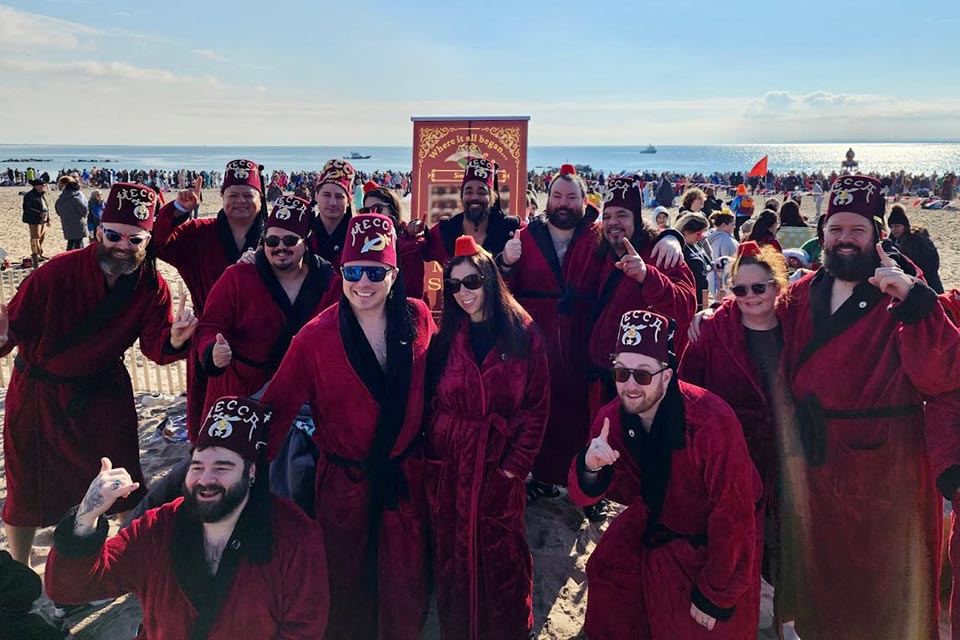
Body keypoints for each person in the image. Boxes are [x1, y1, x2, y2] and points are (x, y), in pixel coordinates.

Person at [776, 174, 960, 638]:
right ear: (822, 234)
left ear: (877, 233)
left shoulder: (900, 285)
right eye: (836, 229)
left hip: (884, 466)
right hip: (819, 460)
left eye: (856, 230)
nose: (844, 240)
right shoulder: (805, 290)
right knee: (826, 572)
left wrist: (917, 301)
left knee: (885, 584)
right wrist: (712, 315)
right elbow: (766, 326)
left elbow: (940, 372)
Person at [1, 182, 196, 565]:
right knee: (27, 488)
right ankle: (20, 569)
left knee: (123, 475)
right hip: (40, 393)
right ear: (99, 230)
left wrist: (175, 339)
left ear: (147, 239)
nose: (123, 246)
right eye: (114, 235)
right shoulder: (54, 274)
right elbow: (13, 330)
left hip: (105, 392)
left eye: (135, 240)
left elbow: (156, 349)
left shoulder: (151, 285)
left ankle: (122, 557)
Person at [262, 213, 435, 639]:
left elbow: (439, 387)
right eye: (353, 271)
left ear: (394, 274)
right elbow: (275, 409)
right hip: (343, 482)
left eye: (376, 272)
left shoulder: (419, 318)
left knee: (405, 575)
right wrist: (240, 468)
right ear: (340, 272)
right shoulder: (313, 337)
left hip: (404, 477)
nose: (363, 284)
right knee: (344, 577)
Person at [45, 397, 330, 639]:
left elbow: (303, 627)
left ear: (252, 472)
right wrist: (87, 515)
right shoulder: (158, 527)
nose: (206, 479)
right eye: (197, 466)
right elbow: (72, 587)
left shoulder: (295, 535)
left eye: (222, 467)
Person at [568, 310, 763, 639]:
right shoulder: (611, 419)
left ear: (668, 376)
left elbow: (734, 513)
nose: (630, 385)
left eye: (642, 376)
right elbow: (586, 493)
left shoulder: (710, 422)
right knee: (606, 571)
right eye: (621, 373)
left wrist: (715, 593)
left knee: (705, 625)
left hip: (720, 531)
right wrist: (589, 468)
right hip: (660, 514)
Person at [499, 165, 685, 498]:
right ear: (547, 198)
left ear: (586, 203)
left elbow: (684, 299)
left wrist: (672, 238)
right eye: (557, 195)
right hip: (543, 344)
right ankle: (547, 478)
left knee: (594, 425)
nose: (564, 203)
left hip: (603, 356)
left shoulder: (610, 240)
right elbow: (502, 289)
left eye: (572, 197)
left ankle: (600, 492)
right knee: (547, 413)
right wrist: (506, 264)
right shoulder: (532, 237)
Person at [424, 235, 549, 639]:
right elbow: (430, 398)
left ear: (491, 279)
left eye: (472, 282)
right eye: (455, 284)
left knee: (501, 549)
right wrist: (436, 452)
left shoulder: (524, 332)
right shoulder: (447, 334)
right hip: (451, 460)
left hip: (498, 462)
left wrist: (514, 467)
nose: (463, 293)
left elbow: (536, 406)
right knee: (452, 551)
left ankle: (509, 628)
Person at [678, 241, 790, 616]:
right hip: (731, 458)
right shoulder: (713, 331)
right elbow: (686, 390)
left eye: (759, 287)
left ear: (777, 285)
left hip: (788, 459)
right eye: (739, 289)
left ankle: (778, 615)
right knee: (732, 542)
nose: (750, 297)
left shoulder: (798, 325)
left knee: (780, 548)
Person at [197, 194, 340, 416]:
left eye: (290, 241)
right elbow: (210, 325)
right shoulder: (237, 276)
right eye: (272, 241)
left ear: (306, 240)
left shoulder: (330, 282)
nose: (280, 247)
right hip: (240, 387)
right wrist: (211, 350)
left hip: (302, 392)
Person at [153, 160, 266, 437]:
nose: (240, 201)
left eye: (248, 195)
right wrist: (179, 209)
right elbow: (157, 244)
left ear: (261, 200)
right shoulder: (198, 234)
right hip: (209, 338)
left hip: (262, 343)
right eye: (233, 195)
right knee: (207, 424)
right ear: (222, 197)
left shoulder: (277, 238)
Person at [419, 157, 522, 267]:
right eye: (468, 191)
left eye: (482, 192)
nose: (475, 197)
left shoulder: (511, 229)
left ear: (492, 197)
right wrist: (412, 234)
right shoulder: (445, 230)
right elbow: (418, 250)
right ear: (462, 196)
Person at [363, 182, 425, 299]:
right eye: (366, 211)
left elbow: (413, 293)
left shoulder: (408, 246)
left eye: (377, 208)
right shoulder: (362, 244)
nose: (371, 214)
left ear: (392, 210)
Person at [308, 159, 356, 269]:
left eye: (339, 197)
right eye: (326, 195)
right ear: (316, 196)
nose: (332, 202)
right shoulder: (304, 233)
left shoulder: (358, 235)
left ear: (348, 200)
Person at [887, 203, 944, 293]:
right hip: (906, 284)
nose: (894, 229)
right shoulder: (892, 242)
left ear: (905, 226)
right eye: (891, 227)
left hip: (928, 282)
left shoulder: (919, 239)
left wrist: (918, 276)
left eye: (897, 226)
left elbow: (933, 262)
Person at [674, 212, 711, 311]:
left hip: (702, 296)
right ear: (686, 231)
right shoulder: (678, 249)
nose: (700, 237)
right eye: (698, 234)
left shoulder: (695, 244)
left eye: (702, 234)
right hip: (689, 300)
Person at [707, 210, 739, 297]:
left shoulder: (709, 238)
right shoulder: (728, 241)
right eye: (732, 224)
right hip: (725, 282)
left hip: (712, 279)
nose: (734, 227)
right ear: (724, 225)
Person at [55, 175, 88, 251]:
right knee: (78, 243)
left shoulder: (60, 199)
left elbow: (58, 211)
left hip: (66, 223)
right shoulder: (76, 199)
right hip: (78, 223)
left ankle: (69, 258)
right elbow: (84, 210)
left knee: (70, 243)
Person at [22, 177, 49, 266]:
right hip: (34, 219)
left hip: (43, 219)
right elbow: (28, 208)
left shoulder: (41, 194)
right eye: (42, 185)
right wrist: (39, 213)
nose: (43, 187)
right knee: (35, 237)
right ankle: (36, 255)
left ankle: (40, 253)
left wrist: (48, 219)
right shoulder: (29, 195)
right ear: (36, 186)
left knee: (42, 236)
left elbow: (45, 206)